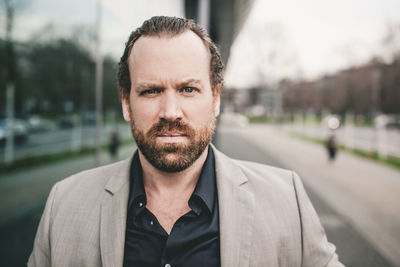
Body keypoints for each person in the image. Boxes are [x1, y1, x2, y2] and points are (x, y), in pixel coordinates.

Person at [28, 16, 343, 267]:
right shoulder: (64, 205)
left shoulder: (287, 201)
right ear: (126, 102)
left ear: (216, 99)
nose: (170, 112)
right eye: (151, 90)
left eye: (188, 89)